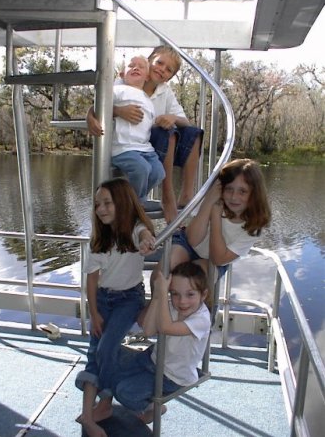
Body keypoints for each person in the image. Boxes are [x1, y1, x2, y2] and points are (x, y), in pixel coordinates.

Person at [81, 261, 211, 426]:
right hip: (152, 359)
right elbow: (149, 330)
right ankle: (106, 401)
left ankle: (154, 408)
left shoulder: (201, 319)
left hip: (172, 376)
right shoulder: (170, 305)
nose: (182, 301)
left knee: (124, 392)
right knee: (107, 357)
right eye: (175, 294)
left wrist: (164, 294)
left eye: (190, 294)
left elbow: (165, 327)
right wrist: (157, 295)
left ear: (204, 295)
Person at [75, 177, 156, 437]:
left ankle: (107, 401)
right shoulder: (99, 239)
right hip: (103, 299)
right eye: (98, 204)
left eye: (107, 203)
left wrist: (146, 241)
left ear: (122, 202)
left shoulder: (134, 228)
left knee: (107, 347)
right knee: (95, 351)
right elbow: (91, 280)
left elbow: (145, 233)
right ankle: (91, 415)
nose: (101, 209)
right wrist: (94, 312)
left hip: (129, 299)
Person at [87, 45, 203, 223]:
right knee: (169, 133)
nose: (162, 69)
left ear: (170, 77)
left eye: (168, 70)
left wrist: (172, 117)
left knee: (193, 133)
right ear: (149, 63)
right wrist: (118, 111)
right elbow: (100, 104)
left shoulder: (164, 91)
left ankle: (187, 194)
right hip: (127, 144)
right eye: (159, 63)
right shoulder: (125, 80)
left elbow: (185, 122)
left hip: (148, 146)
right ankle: (167, 195)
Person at [152, 158, 271, 285]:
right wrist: (209, 201)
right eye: (229, 189)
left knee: (197, 284)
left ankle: (204, 304)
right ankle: (157, 304)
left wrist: (215, 217)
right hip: (186, 244)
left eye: (242, 191)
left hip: (214, 259)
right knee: (159, 277)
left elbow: (218, 259)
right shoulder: (214, 198)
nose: (234, 197)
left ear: (254, 194)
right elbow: (192, 239)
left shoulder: (254, 225)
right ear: (221, 188)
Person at [92, 54, 165, 207]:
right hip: (122, 148)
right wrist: (118, 110)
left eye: (141, 66)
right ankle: (135, 204)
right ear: (122, 74)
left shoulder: (148, 100)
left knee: (159, 172)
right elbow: (98, 106)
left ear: (147, 77)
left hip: (145, 148)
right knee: (142, 169)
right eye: (131, 66)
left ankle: (137, 198)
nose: (136, 68)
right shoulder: (117, 90)